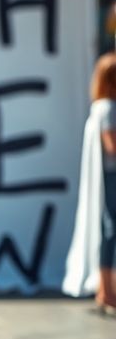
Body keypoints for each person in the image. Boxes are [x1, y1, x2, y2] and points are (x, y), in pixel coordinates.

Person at [64, 53, 116, 314]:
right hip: (112, 178)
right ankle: (106, 290)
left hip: (108, 178)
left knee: (109, 231)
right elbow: (112, 146)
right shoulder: (108, 108)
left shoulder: (101, 107)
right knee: (110, 232)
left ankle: (104, 290)